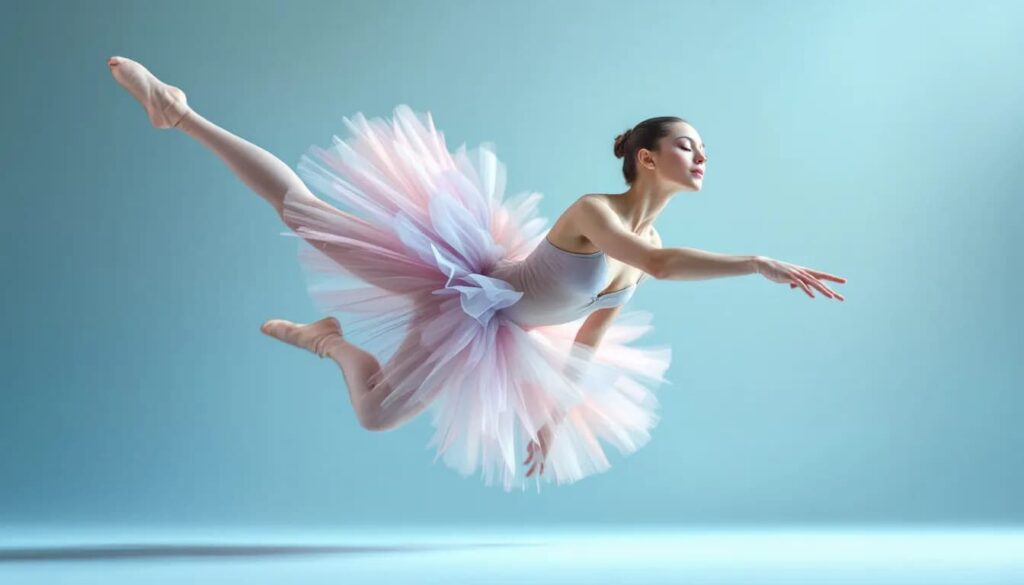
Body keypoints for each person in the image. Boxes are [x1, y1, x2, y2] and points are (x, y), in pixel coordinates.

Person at [107, 56, 846, 491]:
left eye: (704, 147)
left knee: (374, 415)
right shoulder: (597, 211)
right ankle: (178, 110)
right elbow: (654, 257)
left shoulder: (636, 266)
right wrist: (757, 262)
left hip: (486, 326)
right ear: (646, 159)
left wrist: (552, 418)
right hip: (453, 272)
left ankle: (328, 340)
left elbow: (585, 343)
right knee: (307, 213)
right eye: (688, 144)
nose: (701, 154)